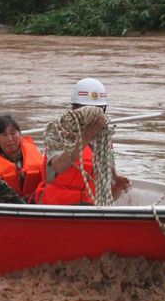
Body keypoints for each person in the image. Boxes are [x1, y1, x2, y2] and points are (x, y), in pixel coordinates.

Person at [37, 77, 130, 205]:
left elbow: (107, 196)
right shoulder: (57, 132)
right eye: (88, 110)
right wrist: (86, 136)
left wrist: (118, 185)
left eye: (99, 109)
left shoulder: (104, 140)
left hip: (89, 209)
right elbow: (59, 166)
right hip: (57, 208)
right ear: (75, 109)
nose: (95, 115)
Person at [0, 115, 44, 199]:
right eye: (4, 135)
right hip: (5, 203)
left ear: (19, 134)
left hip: (34, 199)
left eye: (13, 133)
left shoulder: (36, 152)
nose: (10, 139)